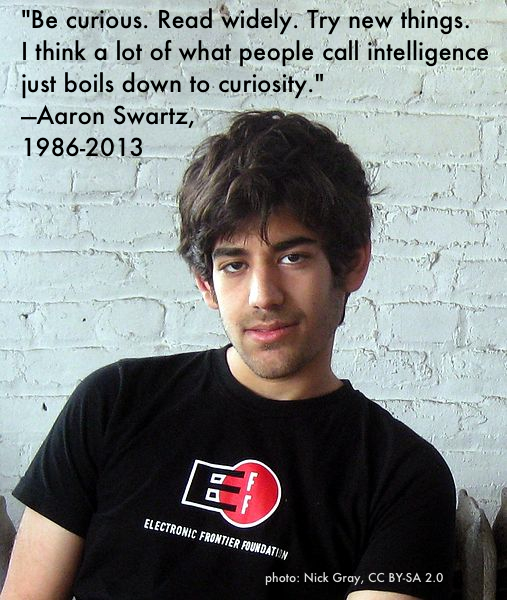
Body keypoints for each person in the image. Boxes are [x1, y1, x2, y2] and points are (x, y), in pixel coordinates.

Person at [1, 111, 455, 599]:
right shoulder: (113, 403)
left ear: (352, 265)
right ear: (206, 285)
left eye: (292, 257)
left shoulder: (404, 476)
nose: (263, 296)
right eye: (234, 265)